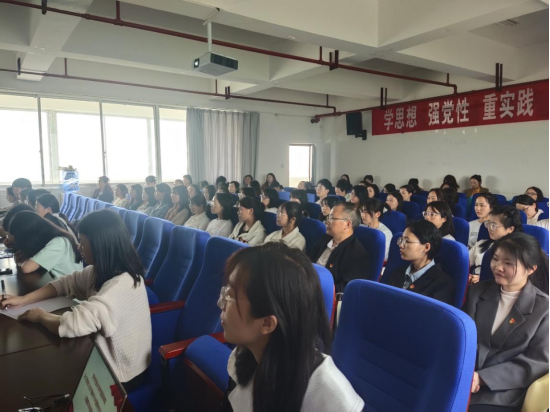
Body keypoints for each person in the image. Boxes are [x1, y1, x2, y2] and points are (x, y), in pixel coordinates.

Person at [2, 210, 152, 389]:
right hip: (103, 356)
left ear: (99, 245)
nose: (79, 247)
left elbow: (74, 324)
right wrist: (23, 300)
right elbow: (65, 283)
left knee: (45, 376)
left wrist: (40, 316)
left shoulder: (121, 284)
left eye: (82, 242)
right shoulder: (99, 270)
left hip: (122, 374)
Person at [219, 243, 365, 412]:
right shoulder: (244, 357)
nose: (220, 303)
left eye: (230, 296)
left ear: (267, 323)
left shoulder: (329, 397)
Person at [463, 233, 549, 412]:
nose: (498, 267)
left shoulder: (544, 309)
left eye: (509, 263)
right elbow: (462, 336)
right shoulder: (478, 292)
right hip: (464, 376)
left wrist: (482, 378)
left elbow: (536, 361)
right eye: (495, 259)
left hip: (501, 390)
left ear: (531, 269)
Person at [387, 220, 455, 305]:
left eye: (407, 241)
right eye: (401, 240)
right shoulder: (398, 272)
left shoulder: (442, 283)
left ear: (426, 247)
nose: (401, 245)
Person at [309, 203, 370, 293]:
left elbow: (346, 289)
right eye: (328, 217)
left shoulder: (357, 255)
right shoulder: (324, 239)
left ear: (347, 224)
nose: (327, 221)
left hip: (321, 294)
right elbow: (308, 262)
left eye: (331, 218)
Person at [9, 211, 83, 278]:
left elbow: (26, 268)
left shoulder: (58, 243)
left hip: (69, 288)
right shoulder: (49, 239)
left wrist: (27, 259)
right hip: (59, 284)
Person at [469, 206, 524, 284]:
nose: (489, 228)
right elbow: (464, 264)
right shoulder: (480, 244)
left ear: (510, 229)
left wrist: (483, 278)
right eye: (488, 223)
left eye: (494, 225)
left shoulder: (517, 252)